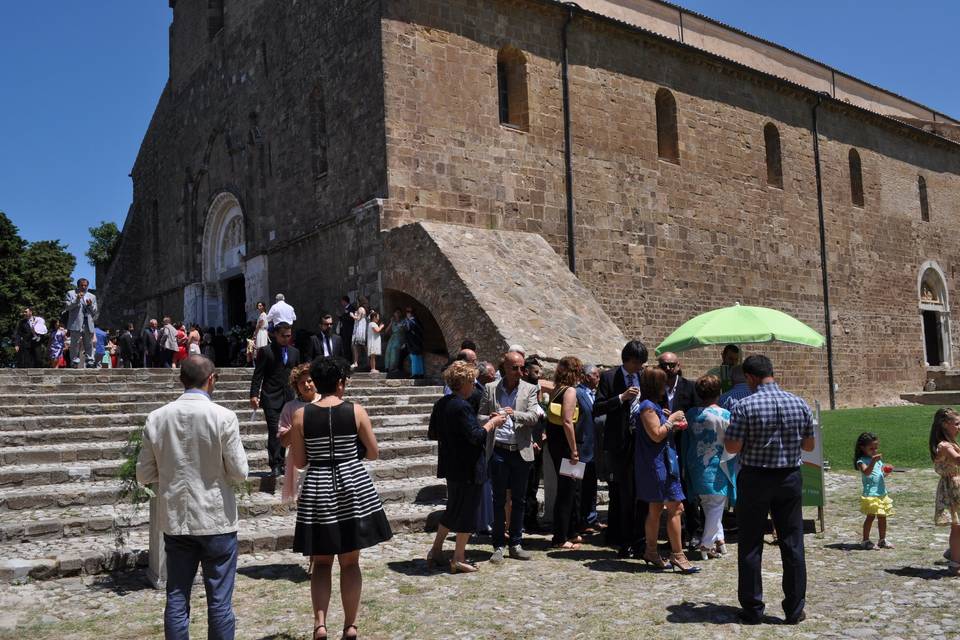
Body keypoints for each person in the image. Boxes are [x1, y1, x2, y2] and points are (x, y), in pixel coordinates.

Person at [135, 355, 249, 640]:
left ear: (181, 380)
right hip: (216, 517)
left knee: (176, 595)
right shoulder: (224, 417)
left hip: (177, 518)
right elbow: (239, 472)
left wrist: (172, 473)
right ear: (211, 380)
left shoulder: (157, 417)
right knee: (220, 602)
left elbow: (144, 473)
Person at [288, 357, 392, 640]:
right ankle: (350, 625)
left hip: (319, 487)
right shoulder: (356, 411)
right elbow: (373, 452)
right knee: (350, 562)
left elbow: (299, 461)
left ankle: (320, 625)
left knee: (321, 563)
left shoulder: (301, 416)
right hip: (353, 486)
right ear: (340, 383)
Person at [724, 354, 815, 625]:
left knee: (751, 543)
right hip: (788, 476)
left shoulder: (744, 406)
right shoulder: (799, 403)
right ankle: (795, 608)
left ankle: (752, 608)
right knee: (792, 543)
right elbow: (809, 446)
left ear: (750, 377)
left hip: (755, 478)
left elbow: (732, 447)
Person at [428, 361, 507, 573]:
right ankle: (458, 557)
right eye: (472, 382)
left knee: (452, 509)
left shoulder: (442, 403)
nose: (473, 386)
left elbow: (433, 433)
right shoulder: (462, 406)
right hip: (468, 467)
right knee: (467, 513)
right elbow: (476, 436)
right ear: (464, 382)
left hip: (451, 466)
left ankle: (436, 551)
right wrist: (493, 423)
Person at [633, 366, 700, 573]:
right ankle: (678, 554)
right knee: (676, 508)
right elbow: (656, 435)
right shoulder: (647, 407)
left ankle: (651, 551)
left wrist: (669, 420)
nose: (667, 385)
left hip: (660, 462)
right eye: (664, 381)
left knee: (655, 509)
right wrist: (670, 421)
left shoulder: (652, 406)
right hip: (658, 465)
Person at [478, 351, 540, 563]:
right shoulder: (490, 388)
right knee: (498, 500)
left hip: (520, 451)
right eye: (515, 368)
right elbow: (479, 416)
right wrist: (491, 418)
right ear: (505, 367)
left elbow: (534, 416)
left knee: (519, 500)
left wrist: (514, 414)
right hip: (499, 450)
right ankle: (497, 545)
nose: (520, 372)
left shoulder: (530, 389)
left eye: (522, 368)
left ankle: (516, 542)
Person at [593, 340, 646, 557]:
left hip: (641, 441)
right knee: (624, 493)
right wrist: (621, 398)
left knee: (640, 493)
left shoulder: (643, 377)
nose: (639, 367)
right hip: (619, 443)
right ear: (627, 361)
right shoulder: (609, 377)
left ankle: (640, 538)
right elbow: (598, 407)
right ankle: (624, 540)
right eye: (637, 363)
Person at [683, 375, 737, 560]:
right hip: (717, 465)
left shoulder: (691, 414)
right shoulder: (725, 415)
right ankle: (706, 544)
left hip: (695, 463)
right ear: (719, 392)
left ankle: (720, 540)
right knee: (716, 505)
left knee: (708, 504)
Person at [657, 351, 702, 549]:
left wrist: (681, 420)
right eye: (664, 365)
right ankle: (676, 534)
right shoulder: (655, 387)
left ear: (678, 365)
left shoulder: (689, 387)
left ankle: (695, 531)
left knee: (687, 488)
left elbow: (696, 414)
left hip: (684, 444)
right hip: (662, 444)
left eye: (671, 365)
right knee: (669, 490)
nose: (668, 368)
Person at [250, 322, 301, 477]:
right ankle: (275, 465)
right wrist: (254, 394)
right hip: (270, 397)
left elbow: (298, 374)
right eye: (283, 336)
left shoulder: (294, 352)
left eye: (289, 335)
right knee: (274, 431)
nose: (286, 338)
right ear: (275, 335)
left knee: (285, 430)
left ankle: (282, 462)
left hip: (288, 397)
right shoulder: (265, 352)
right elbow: (258, 375)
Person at [546, 356, 584, 550]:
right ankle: (560, 537)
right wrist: (574, 449)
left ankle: (571, 531)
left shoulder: (556, 390)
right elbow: (567, 421)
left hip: (556, 444)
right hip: (565, 447)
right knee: (567, 490)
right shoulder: (569, 391)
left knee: (572, 487)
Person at [278, 364, 319, 504]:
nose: (306, 385)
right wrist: (297, 424)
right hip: (299, 459)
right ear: (296, 386)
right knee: (303, 499)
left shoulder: (325, 401)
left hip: (321, 457)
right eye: (302, 383)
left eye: (309, 381)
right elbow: (283, 441)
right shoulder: (290, 407)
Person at [931, 408, 960, 575]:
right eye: (956, 424)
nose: (959, 427)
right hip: (952, 488)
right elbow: (957, 460)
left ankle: (953, 552)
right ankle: (955, 564)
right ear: (944, 425)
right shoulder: (944, 445)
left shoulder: (952, 443)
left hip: (957, 485)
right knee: (957, 527)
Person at [854, 432, 894, 550]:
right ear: (862, 448)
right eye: (871, 448)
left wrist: (886, 471)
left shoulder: (876, 460)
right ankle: (865, 540)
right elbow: (866, 472)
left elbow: (880, 474)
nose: (874, 450)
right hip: (871, 494)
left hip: (881, 492)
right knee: (870, 517)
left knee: (882, 516)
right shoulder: (861, 461)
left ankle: (882, 539)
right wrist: (873, 461)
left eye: (876, 448)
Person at [576, 364, 602, 533]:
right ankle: (578, 521)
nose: (598, 379)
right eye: (596, 376)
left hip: (594, 448)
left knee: (591, 485)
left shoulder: (596, 394)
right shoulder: (576, 393)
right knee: (577, 487)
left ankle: (591, 518)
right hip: (579, 446)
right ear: (586, 377)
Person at [64, 278, 98, 368]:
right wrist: (77, 299)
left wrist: (90, 305)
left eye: (85, 285)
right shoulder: (71, 293)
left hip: (88, 322)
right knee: (75, 343)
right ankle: (74, 361)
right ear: (78, 285)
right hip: (76, 322)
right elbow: (67, 307)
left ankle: (90, 361)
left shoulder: (92, 296)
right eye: (82, 285)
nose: (84, 287)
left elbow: (95, 311)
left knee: (89, 343)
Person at [402, 307, 424, 378]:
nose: (407, 314)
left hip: (412, 343)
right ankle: (420, 373)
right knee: (418, 357)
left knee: (414, 358)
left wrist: (406, 321)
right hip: (418, 342)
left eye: (408, 312)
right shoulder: (417, 321)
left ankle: (415, 374)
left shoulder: (411, 321)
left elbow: (407, 328)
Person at [383, 309, 406, 374]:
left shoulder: (403, 321)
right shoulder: (393, 322)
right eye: (396, 313)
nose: (397, 314)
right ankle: (387, 367)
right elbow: (386, 331)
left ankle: (393, 368)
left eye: (398, 312)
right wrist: (391, 322)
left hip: (400, 337)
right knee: (388, 350)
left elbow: (405, 330)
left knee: (394, 350)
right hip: (393, 337)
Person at [350, 298, 368, 370]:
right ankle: (366, 361)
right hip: (360, 329)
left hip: (359, 329)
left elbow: (358, 318)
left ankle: (356, 362)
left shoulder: (360, 309)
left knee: (355, 346)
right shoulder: (362, 309)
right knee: (362, 346)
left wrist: (352, 315)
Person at [337, 296, 356, 360]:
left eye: (342, 301)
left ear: (345, 301)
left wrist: (341, 316)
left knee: (348, 345)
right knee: (345, 346)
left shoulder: (351, 308)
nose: (341, 303)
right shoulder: (344, 308)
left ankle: (350, 360)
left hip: (349, 330)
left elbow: (351, 319)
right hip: (344, 330)